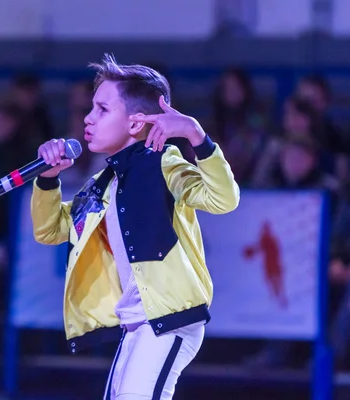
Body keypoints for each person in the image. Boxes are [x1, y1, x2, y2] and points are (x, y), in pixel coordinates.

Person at [30, 54, 240, 399]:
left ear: (135, 123)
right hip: (139, 324)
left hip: (170, 318)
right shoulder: (103, 182)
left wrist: (196, 136)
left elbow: (223, 199)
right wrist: (49, 178)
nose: (88, 118)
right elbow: (51, 230)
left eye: (102, 109)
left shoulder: (165, 162)